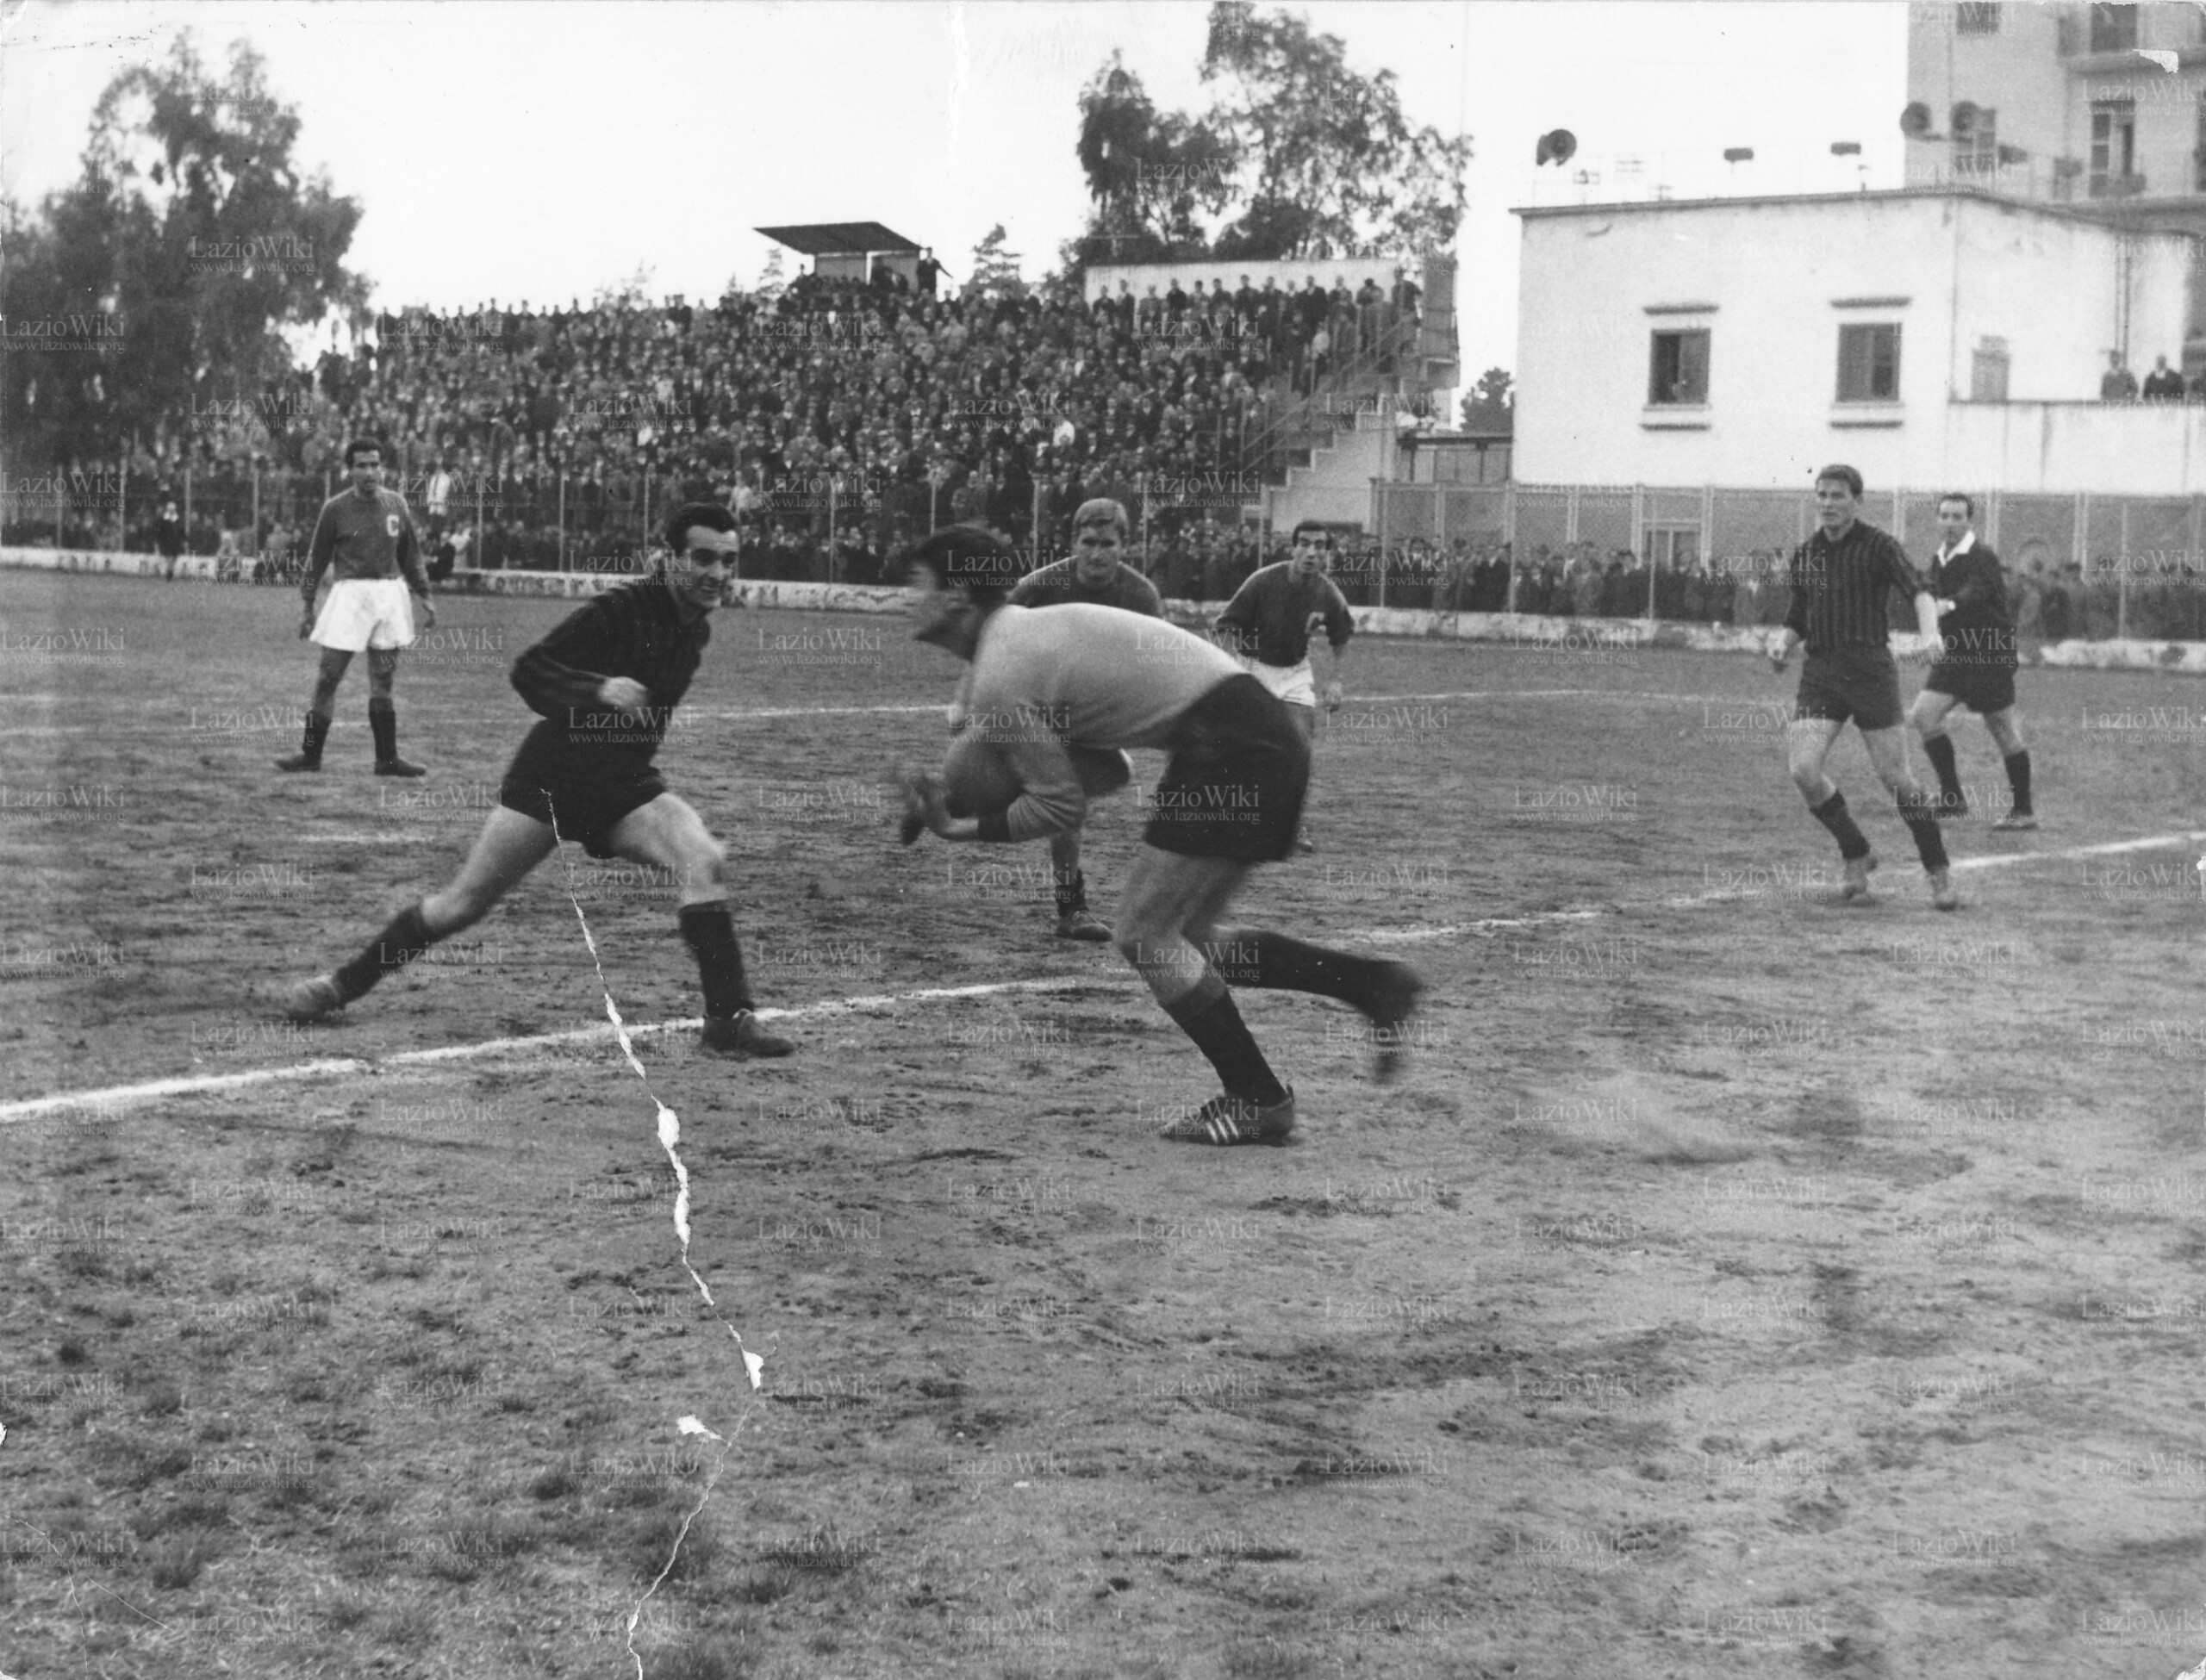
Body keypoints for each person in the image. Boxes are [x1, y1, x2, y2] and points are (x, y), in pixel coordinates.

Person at [898, 525, 1422, 1147]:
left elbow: (1060, 805)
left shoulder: (1000, 672)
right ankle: (1371, 984)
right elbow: (1110, 772)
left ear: (956, 595)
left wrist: (959, 827)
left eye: (916, 583)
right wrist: (966, 792)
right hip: (1253, 739)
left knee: (1144, 935)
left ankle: (1258, 1097)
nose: (906, 597)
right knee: (1188, 940)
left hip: (1232, 748)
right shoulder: (1018, 640)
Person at [281, 502, 797, 1061]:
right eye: (702, 558)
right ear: (666, 559)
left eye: (728, 561)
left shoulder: (693, 630)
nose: (718, 573)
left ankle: (727, 1021)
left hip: (622, 783)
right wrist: (597, 689)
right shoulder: (619, 610)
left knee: (703, 860)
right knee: (462, 904)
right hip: (554, 777)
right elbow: (529, 670)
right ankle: (342, 985)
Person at [1770, 464, 1958, 912]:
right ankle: (1856, 850)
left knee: (1896, 779)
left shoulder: (1878, 546)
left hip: (1870, 671)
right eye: (1822, 495)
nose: (1828, 503)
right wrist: (1782, 644)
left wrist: (1930, 634)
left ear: (1857, 501)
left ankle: (1939, 873)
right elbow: (1798, 616)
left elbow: (1920, 590)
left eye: (1837, 495)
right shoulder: (1806, 554)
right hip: (1821, 673)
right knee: (1803, 770)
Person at [1002, 498, 1165, 941]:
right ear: (1073, 542)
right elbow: (997, 639)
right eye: (1088, 542)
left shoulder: (1141, 597)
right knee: (1065, 802)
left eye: (1107, 544)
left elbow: (1154, 666)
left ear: (1125, 546)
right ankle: (1071, 909)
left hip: (1094, 715)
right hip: (1036, 708)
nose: (1096, 553)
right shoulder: (1039, 586)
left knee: (1087, 789)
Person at [277, 438, 437, 776]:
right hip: (349, 596)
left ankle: (387, 760)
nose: (369, 472)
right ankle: (310, 755)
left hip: (389, 595)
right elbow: (317, 559)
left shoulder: (396, 504)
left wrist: (425, 593)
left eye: (375, 465)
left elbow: (410, 554)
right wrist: (307, 605)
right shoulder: (335, 509)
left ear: (383, 468)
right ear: (349, 470)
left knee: (383, 679)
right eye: (362, 465)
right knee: (328, 677)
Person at [1212, 520, 1354, 855]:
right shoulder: (1262, 582)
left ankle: (1290, 825)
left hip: (1295, 672)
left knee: (1299, 748)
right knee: (1244, 751)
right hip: (1253, 668)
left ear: (1326, 554)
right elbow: (1225, 626)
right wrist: (1230, 670)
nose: (1311, 552)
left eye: (1319, 546)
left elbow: (1341, 635)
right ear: (1292, 547)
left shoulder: (1328, 593)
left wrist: (1336, 679)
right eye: (1304, 543)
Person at [1905, 493, 2035, 831]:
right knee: (1923, 716)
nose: (1949, 523)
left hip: (1988, 654)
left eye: (1957, 517)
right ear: (1938, 519)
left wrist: (1949, 604)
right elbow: (1927, 592)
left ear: (1969, 521)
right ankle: (1952, 799)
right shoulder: (1939, 558)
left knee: (2002, 728)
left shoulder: (1982, 556)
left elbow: (1977, 590)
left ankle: (2023, 811)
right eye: (1944, 516)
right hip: (1955, 654)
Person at [155, 499, 184, 579]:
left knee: (174, 558)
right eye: (170, 509)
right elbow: (160, 530)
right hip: (167, 541)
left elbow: (181, 530)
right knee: (170, 557)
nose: (171, 511)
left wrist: (183, 539)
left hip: (176, 541)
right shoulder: (164, 519)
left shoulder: (177, 519)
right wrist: (158, 539)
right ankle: (169, 573)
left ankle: (170, 571)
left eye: (172, 509)